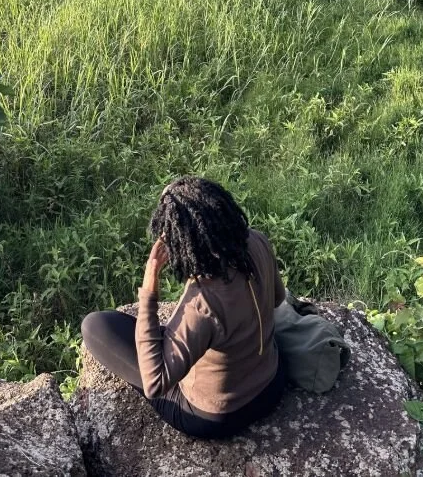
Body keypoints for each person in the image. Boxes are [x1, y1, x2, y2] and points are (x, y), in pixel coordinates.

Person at [81, 175, 287, 439]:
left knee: (96, 326)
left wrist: (149, 291)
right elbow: (278, 300)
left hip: (218, 415)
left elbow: (155, 382)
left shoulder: (203, 300)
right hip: (272, 384)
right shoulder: (257, 242)